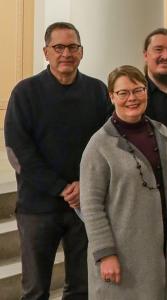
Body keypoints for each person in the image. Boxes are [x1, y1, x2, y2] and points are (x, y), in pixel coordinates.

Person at [4, 22, 112, 300]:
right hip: (37, 208)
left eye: (72, 47)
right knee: (36, 289)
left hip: (84, 205)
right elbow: (19, 152)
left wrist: (84, 186)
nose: (66, 53)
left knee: (81, 288)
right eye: (59, 47)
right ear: (46, 51)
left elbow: (108, 143)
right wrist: (61, 188)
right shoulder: (25, 92)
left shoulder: (98, 91)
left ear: (81, 52)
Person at [80, 65, 167, 299]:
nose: (132, 99)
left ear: (146, 91)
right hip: (122, 254)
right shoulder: (99, 145)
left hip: (165, 252)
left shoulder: (163, 133)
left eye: (138, 90)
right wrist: (105, 253)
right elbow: (91, 206)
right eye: (123, 93)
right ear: (111, 96)